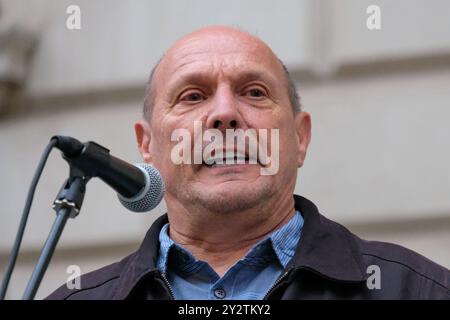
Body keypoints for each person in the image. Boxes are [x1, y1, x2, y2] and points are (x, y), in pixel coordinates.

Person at [47, 26, 449, 300]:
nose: (224, 113)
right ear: (147, 145)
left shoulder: (417, 289)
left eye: (254, 93)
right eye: (192, 96)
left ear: (300, 138)